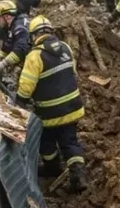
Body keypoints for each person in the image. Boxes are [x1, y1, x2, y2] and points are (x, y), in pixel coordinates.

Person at [16, 15, 88, 193]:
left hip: (50, 113)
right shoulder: (66, 48)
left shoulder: (34, 56)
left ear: (34, 36)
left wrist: (19, 104)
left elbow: (26, 87)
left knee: (46, 142)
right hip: (73, 108)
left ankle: (52, 168)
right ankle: (79, 175)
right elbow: (73, 73)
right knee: (70, 141)